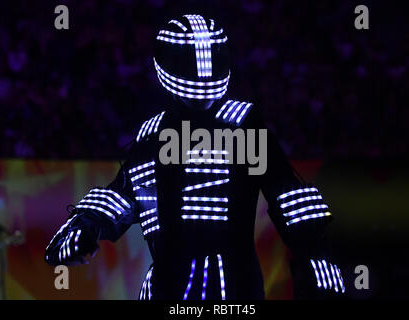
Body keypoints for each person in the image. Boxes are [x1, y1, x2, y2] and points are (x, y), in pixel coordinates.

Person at [45, 14, 345, 300]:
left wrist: (316, 255)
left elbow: (286, 193)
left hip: (231, 284)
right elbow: (126, 194)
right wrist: (84, 225)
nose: (201, 92)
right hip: (170, 283)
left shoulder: (240, 121)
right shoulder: (154, 132)